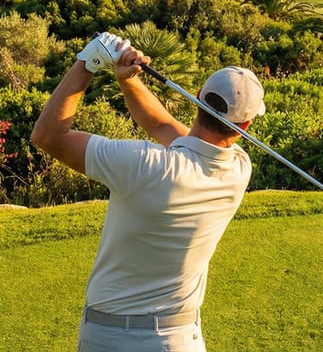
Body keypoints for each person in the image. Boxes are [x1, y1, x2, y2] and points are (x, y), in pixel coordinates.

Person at [31, 32, 265, 351]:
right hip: (183, 338)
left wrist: (87, 63)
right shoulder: (239, 168)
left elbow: (49, 136)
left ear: (197, 96)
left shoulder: (144, 166)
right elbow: (164, 128)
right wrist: (128, 80)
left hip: (111, 337)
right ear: (246, 126)